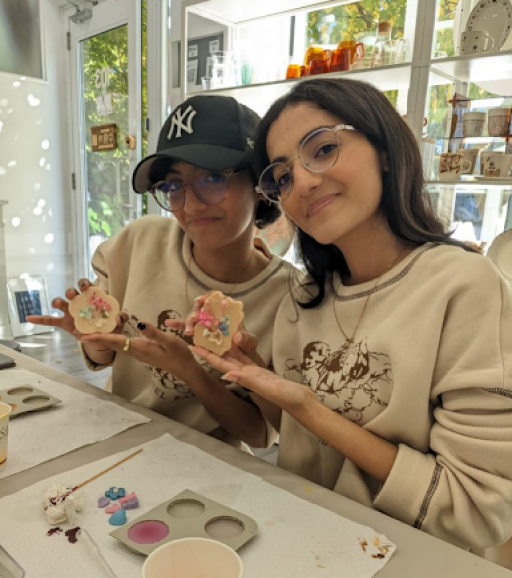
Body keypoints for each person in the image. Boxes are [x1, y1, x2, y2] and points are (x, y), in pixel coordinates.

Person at [193, 79, 512, 551]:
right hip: (300, 537)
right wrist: (255, 376)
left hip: (409, 561)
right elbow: (293, 436)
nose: (302, 182)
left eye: (323, 149)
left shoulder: (464, 288)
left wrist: (309, 408)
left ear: (384, 148)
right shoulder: (304, 298)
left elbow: (477, 510)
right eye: (282, 177)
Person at [28, 95, 294, 450]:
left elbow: (260, 435)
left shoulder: (288, 297)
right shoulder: (139, 243)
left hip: (208, 464)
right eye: (173, 186)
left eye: (213, 178)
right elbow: (105, 358)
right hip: (115, 438)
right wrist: (96, 339)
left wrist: (190, 371)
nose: (192, 205)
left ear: (260, 185)